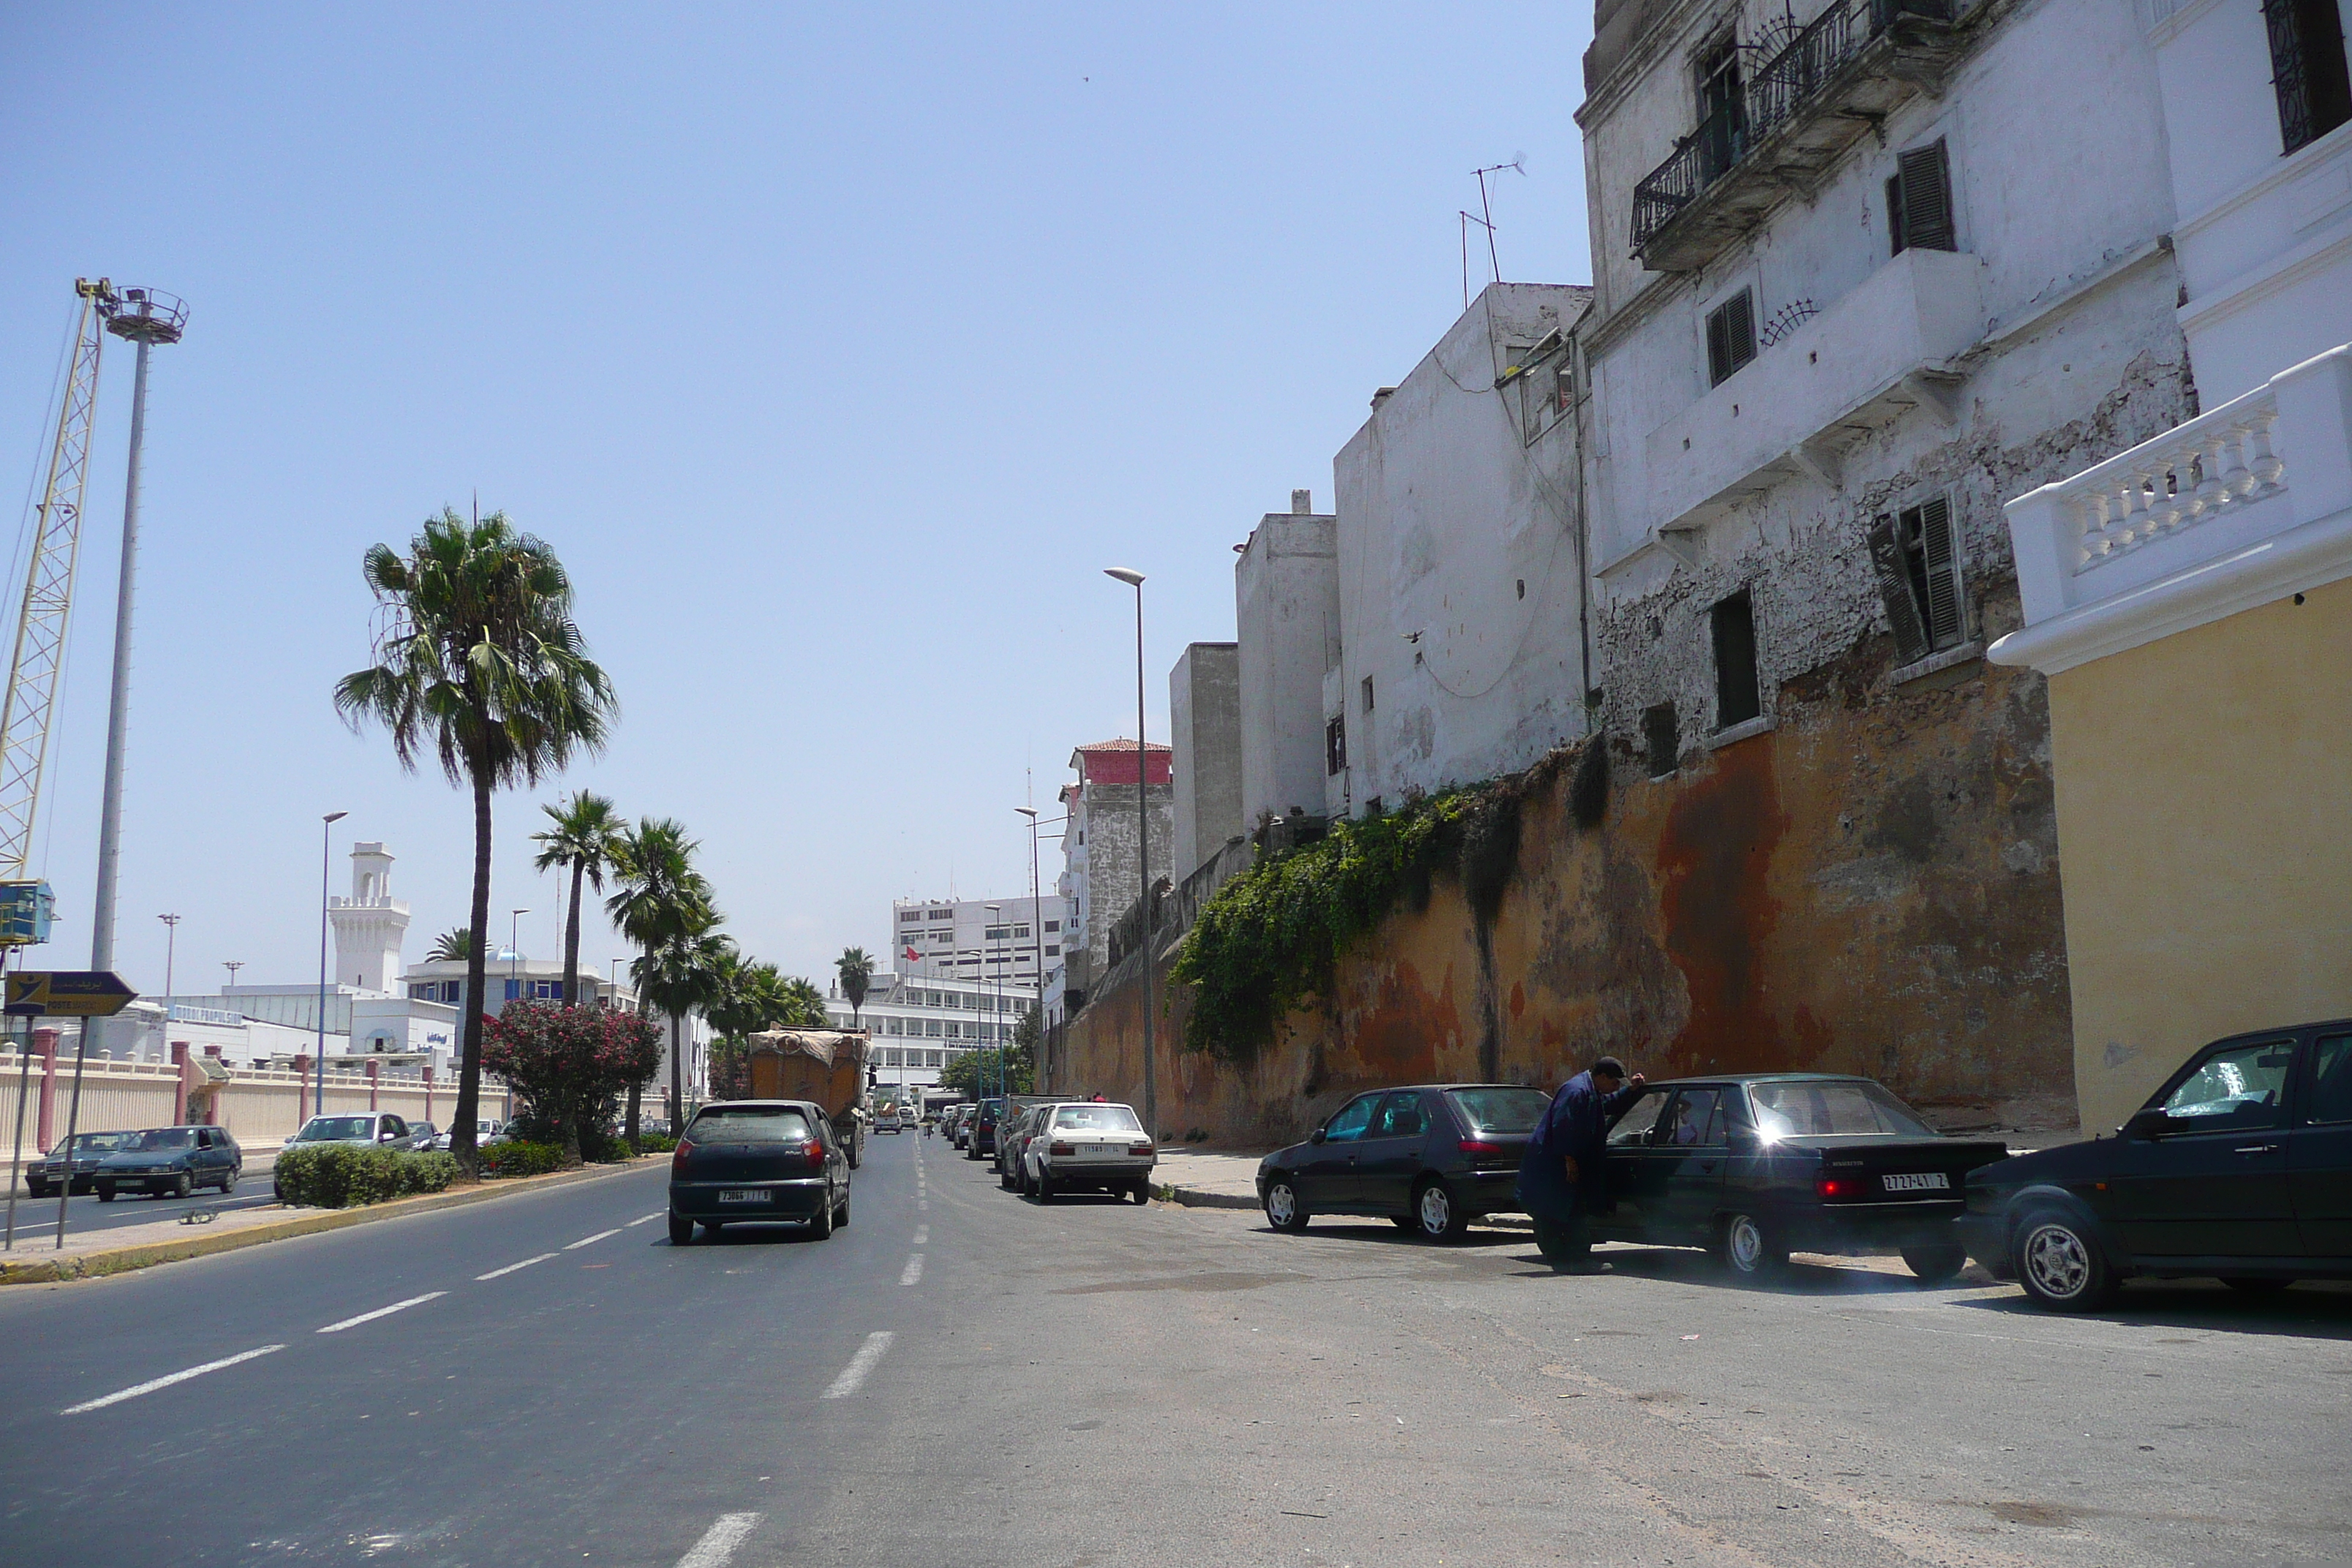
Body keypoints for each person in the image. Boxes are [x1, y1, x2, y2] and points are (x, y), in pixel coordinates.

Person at [1516, 1055, 1646, 1274]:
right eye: (1615, 1083)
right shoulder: (1576, 1091)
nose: (1615, 1087)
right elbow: (1562, 1127)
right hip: (1555, 1164)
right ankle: (1572, 1260)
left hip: (1562, 1163)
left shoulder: (1589, 1090)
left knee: (1569, 1210)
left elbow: (1606, 1104)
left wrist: (1630, 1090)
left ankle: (1570, 1259)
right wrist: (1570, 1162)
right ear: (1602, 1076)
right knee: (1559, 1212)